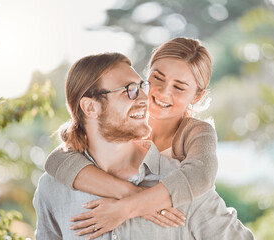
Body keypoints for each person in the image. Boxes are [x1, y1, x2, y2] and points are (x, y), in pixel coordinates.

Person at [33, 52, 255, 240]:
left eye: (142, 86)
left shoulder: (184, 188)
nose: (143, 98)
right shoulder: (52, 189)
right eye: (129, 89)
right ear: (90, 107)